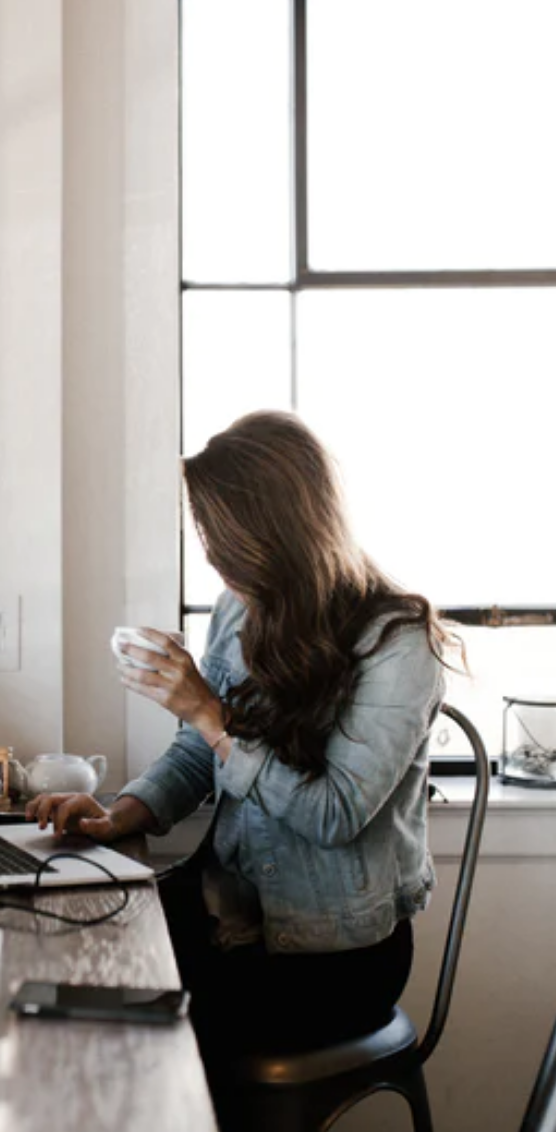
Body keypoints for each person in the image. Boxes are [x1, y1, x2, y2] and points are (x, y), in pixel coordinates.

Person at [26, 410, 457, 1098]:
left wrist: (208, 711)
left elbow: (334, 814)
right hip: (227, 917)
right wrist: (122, 813)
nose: (211, 554)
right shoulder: (242, 610)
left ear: (277, 529)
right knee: (55, 975)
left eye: (219, 534)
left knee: (113, 1031)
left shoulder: (397, 642)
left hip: (332, 960)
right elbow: (200, 752)